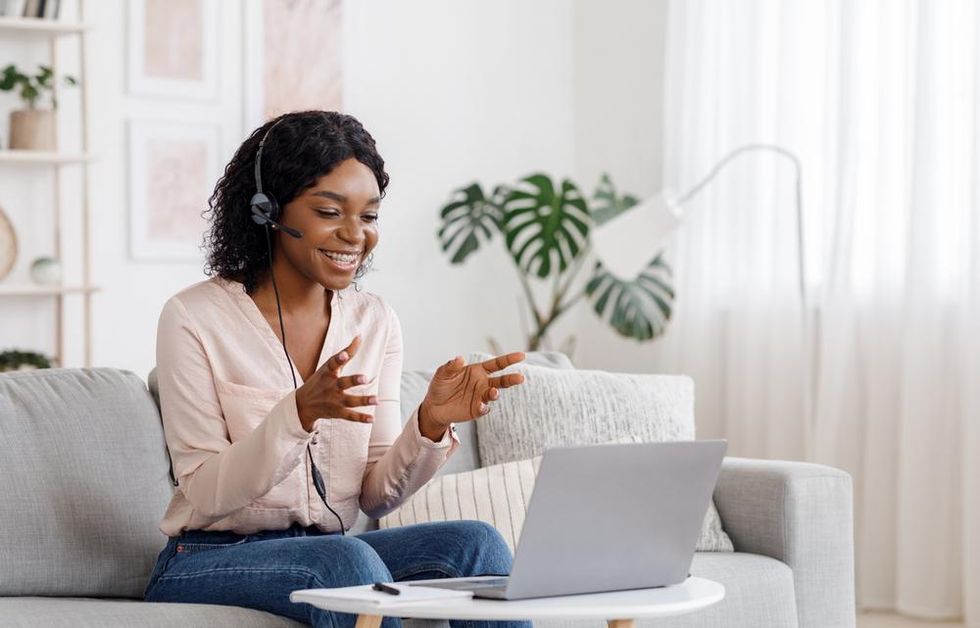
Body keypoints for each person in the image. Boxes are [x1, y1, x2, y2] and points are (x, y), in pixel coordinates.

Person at [144, 110, 531, 628]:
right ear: (267, 210)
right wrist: (297, 415)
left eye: (369, 216)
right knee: (345, 562)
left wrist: (431, 423)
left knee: (476, 544)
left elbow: (375, 496)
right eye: (330, 212)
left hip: (329, 550)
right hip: (207, 559)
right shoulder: (193, 317)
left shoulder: (375, 321)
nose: (355, 235)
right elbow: (204, 493)